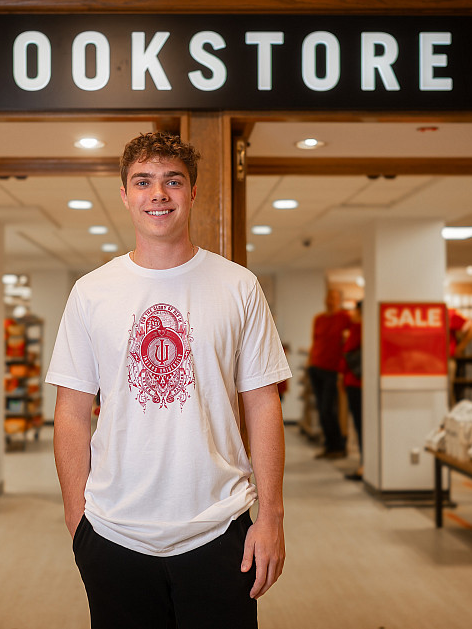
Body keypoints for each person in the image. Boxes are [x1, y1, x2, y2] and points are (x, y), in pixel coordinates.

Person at [47, 131, 291, 628]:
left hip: (218, 529)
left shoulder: (238, 286)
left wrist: (272, 517)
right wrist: (79, 520)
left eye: (172, 181)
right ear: (125, 195)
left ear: (192, 192)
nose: (158, 194)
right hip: (114, 533)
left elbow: (263, 406)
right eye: (143, 182)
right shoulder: (91, 292)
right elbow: (71, 413)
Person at [307, 288, 350, 459]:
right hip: (316, 367)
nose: (330, 300)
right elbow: (315, 341)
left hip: (332, 370)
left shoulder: (345, 318)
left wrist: (342, 369)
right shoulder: (319, 319)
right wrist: (310, 361)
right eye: (328, 297)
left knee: (328, 409)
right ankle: (329, 446)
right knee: (321, 408)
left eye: (334, 297)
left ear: (339, 300)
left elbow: (348, 344)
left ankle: (337, 445)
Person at [342, 301, 364, 481]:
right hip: (363, 383)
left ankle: (364, 466)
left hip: (355, 382)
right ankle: (365, 464)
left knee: (360, 425)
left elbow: (348, 352)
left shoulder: (358, 328)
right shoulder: (370, 328)